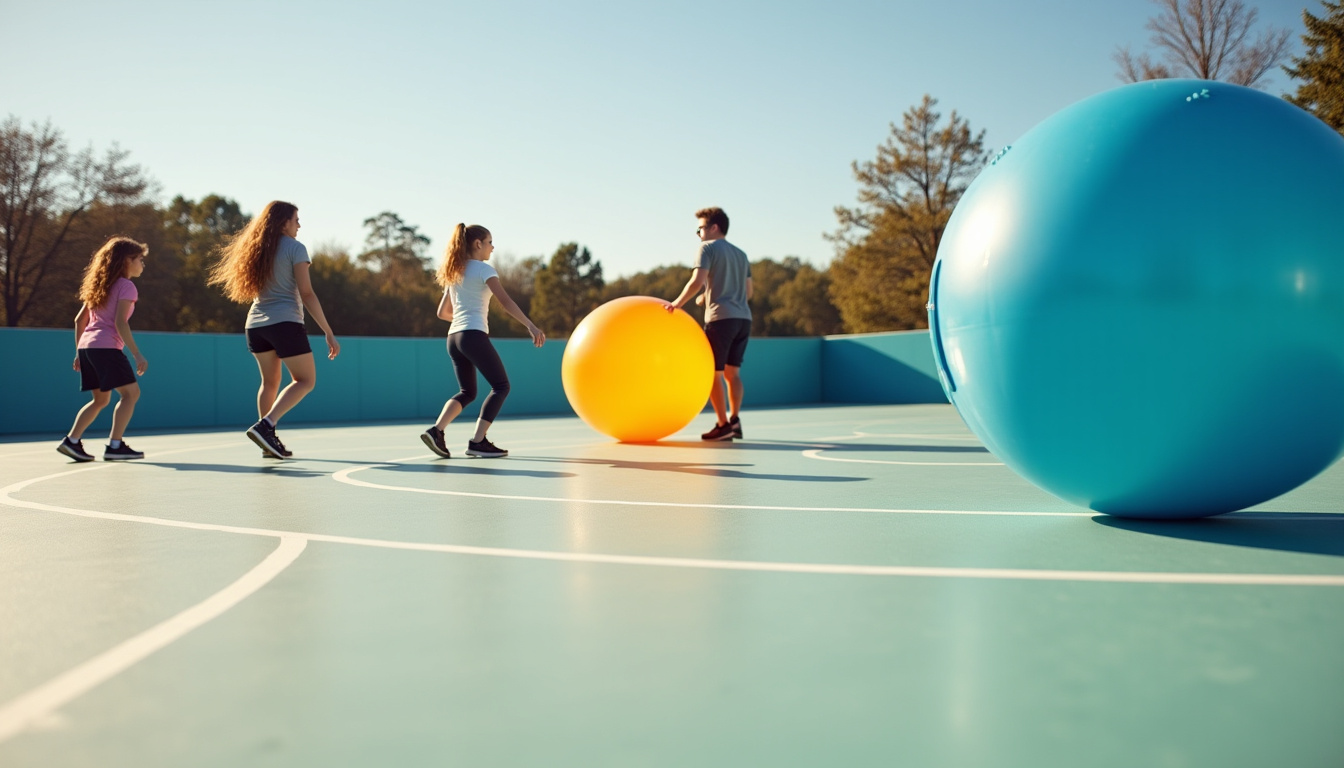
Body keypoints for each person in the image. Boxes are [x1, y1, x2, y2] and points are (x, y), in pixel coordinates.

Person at [207, 200, 339, 459]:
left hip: (255, 325)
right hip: (285, 323)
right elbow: (307, 293)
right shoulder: (296, 249)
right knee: (305, 381)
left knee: (269, 383)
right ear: (283, 222)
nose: (299, 225)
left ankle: (267, 441)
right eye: (296, 219)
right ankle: (266, 426)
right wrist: (328, 330)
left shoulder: (256, 250)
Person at [420, 224, 545, 459]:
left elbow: (442, 313)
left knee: (467, 392)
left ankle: (437, 431)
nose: (492, 247)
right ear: (478, 244)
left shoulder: (455, 272)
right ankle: (477, 441)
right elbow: (506, 302)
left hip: (454, 338)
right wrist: (531, 325)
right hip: (472, 335)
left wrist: (463, 318)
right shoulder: (484, 270)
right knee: (501, 386)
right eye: (490, 242)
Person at [57, 237, 150, 462]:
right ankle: (115, 446)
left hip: (88, 347)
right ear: (126, 261)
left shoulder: (99, 286)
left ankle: (71, 441)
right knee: (131, 394)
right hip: (106, 347)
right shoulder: (127, 286)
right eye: (139, 259)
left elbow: (80, 321)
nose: (142, 264)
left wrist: (80, 352)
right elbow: (120, 323)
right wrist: (137, 354)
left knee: (100, 400)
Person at [664, 206, 752, 441]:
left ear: (714, 228)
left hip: (720, 319)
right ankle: (735, 420)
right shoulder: (741, 254)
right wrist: (707, 296)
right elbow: (749, 291)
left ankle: (723, 425)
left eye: (700, 228)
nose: (698, 233)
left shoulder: (707, 248)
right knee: (733, 374)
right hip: (744, 319)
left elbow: (696, 281)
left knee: (714, 374)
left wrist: (677, 303)